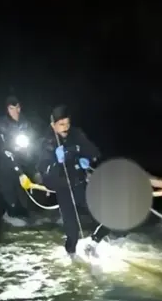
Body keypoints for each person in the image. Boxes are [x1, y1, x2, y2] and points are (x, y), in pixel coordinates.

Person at [39, 104, 110, 256]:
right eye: (61, 124)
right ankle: (71, 261)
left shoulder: (77, 134)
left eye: (68, 123)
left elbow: (94, 152)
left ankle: (93, 242)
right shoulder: (47, 142)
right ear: (53, 125)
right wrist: (56, 163)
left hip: (80, 184)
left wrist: (87, 160)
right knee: (72, 234)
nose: (65, 128)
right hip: (63, 188)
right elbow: (44, 173)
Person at [0, 95, 39, 227]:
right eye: (11, 108)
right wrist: (1, 149)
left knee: (23, 192)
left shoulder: (25, 123)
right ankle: (9, 216)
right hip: (3, 163)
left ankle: (25, 215)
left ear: (20, 107)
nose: (15, 111)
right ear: (7, 109)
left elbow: (31, 142)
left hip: (20, 163)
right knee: (8, 191)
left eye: (17, 107)